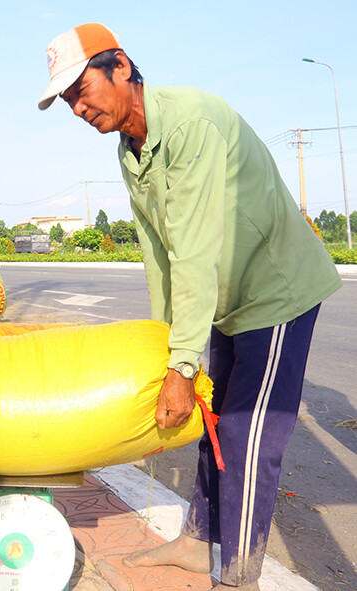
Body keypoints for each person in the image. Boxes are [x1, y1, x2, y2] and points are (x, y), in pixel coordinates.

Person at [38, 23, 342, 591]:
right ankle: (197, 543)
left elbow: (196, 246)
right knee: (213, 421)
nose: (77, 108)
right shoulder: (131, 150)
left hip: (276, 293)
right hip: (228, 302)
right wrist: (165, 349)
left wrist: (182, 366)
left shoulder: (192, 122)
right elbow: (160, 254)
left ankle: (237, 574)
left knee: (247, 439)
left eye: (81, 88)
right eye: (67, 100)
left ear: (121, 67)